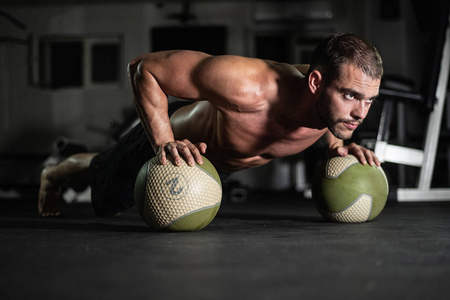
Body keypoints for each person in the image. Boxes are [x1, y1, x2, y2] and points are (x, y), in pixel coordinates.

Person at [39, 33, 383, 217]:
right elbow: (143, 69)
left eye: (369, 100)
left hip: (219, 162)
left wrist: (339, 145)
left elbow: (329, 117)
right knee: (105, 181)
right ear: (315, 83)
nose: (361, 113)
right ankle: (52, 175)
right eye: (352, 96)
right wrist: (163, 142)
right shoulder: (247, 85)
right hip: (177, 145)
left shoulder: (330, 106)